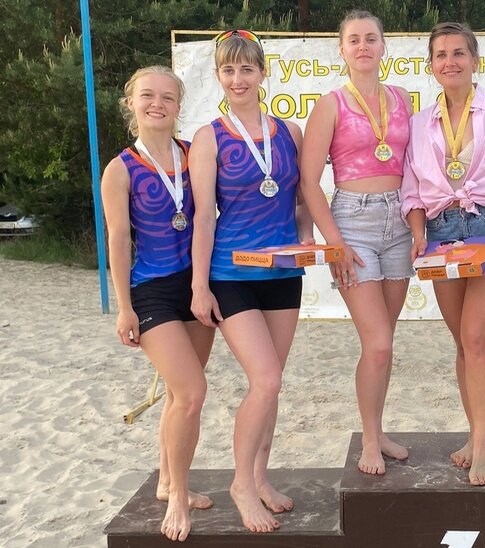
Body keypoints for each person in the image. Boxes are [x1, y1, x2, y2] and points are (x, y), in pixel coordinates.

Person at [189, 30, 309, 533]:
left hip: (282, 272)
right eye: (228, 70)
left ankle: (260, 477)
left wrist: (306, 239)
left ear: (262, 72)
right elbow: (203, 217)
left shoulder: (290, 132)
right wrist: (199, 286)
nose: (238, 79)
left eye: (246, 69)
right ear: (219, 76)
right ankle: (241, 484)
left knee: (271, 386)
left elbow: (301, 200)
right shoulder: (209, 137)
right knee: (266, 380)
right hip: (230, 273)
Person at [401, 22, 485, 486]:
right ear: (431, 65)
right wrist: (418, 233)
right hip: (440, 234)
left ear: (475, 60)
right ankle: (474, 435)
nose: (450, 61)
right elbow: (411, 187)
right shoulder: (419, 122)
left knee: (476, 338)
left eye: (458, 53)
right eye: (441, 54)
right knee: (461, 342)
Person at [101, 65, 215, 542]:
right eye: (148, 95)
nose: (157, 104)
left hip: (198, 285)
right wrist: (124, 308)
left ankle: (167, 481)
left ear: (178, 105)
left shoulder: (194, 154)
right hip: (151, 290)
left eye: (168, 97)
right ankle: (179, 496)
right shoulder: (120, 168)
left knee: (176, 393)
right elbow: (118, 240)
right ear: (131, 102)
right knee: (191, 393)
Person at [299, 10, 414, 476]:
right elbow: (308, 182)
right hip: (353, 223)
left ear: (384, 46)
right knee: (378, 343)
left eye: (371, 38)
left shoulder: (403, 99)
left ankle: (378, 429)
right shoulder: (330, 105)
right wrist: (335, 242)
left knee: (384, 341)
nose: (363, 46)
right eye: (354, 40)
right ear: (342, 49)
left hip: (400, 221)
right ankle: (369, 439)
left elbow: (417, 165)